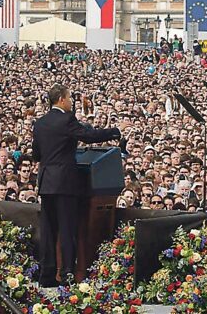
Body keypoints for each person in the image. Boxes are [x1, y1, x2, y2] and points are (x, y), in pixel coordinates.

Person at [33, 84, 126, 287]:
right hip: (65, 182)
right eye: (69, 98)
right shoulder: (66, 119)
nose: (72, 101)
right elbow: (88, 136)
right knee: (67, 228)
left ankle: (47, 275)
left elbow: (36, 155)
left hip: (46, 181)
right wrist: (115, 131)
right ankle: (66, 273)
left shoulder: (40, 123)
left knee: (48, 230)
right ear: (60, 100)